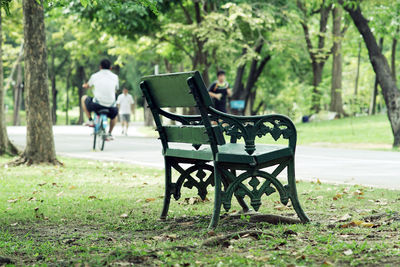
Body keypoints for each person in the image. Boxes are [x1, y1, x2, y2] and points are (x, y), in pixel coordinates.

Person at [81, 59, 119, 140]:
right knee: (115, 115)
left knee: (83, 98)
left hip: (96, 105)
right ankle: (109, 133)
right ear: (110, 68)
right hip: (111, 106)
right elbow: (116, 88)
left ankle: (90, 120)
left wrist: (85, 85)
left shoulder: (94, 76)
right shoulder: (115, 77)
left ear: (100, 67)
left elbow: (88, 85)